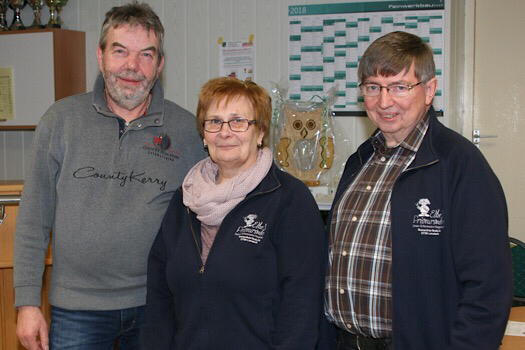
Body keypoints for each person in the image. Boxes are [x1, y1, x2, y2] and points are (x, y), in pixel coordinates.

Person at [13, 2, 205, 349]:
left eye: (146, 55)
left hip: (158, 303)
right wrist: (27, 302)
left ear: (160, 65)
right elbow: (32, 218)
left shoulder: (187, 130)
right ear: (100, 56)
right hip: (77, 307)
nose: (132, 66)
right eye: (120, 51)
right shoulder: (60, 120)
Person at [320, 31, 513, 350]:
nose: (384, 102)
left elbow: (488, 290)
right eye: (373, 88)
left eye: (399, 87)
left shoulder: (460, 165)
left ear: (429, 90)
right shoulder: (359, 161)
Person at [140, 77, 326, 349]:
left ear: (260, 131)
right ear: (204, 134)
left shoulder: (288, 199)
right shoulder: (185, 198)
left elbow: (302, 306)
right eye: (214, 122)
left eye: (238, 121)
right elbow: (160, 298)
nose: (225, 132)